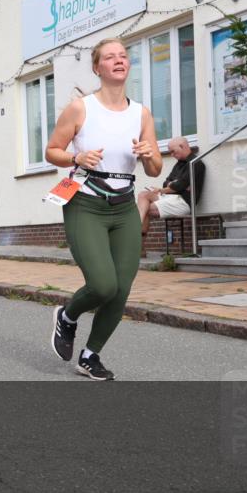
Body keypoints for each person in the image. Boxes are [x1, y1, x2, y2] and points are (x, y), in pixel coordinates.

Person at [44, 37, 162, 380]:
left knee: (120, 290)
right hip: (86, 202)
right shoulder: (82, 108)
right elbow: (53, 149)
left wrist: (149, 155)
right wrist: (76, 157)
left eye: (123, 56)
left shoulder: (141, 113)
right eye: (110, 57)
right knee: (102, 284)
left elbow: (155, 170)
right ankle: (67, 316)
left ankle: (90, 355)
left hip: (124, 206)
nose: (118, 60)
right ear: (98, 67)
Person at [137, 137, 206, 235]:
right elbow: (167, 183)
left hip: (183, 202)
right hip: (170, 197)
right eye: (170, 152)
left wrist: (166, 188)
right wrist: (173, 185)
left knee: (145, 208)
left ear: (182, 146)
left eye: (173, 151)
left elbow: (178, 186)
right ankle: (138, 225)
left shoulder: (196, 164)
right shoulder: (178, 164)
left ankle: (138, 236)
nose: (172, 155)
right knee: (143, 195)